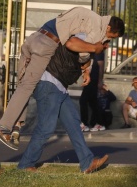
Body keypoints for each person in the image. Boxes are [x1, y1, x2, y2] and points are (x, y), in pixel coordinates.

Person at [0, 7, 125, 150]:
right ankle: (4, 127)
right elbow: (80, 51)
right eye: (111, 36)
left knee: (23, 85)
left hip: (35, 37)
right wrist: (92, 55)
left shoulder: (90, 15)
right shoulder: (98, 28)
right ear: (109, 27)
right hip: (47, 44)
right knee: (27, 86)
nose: (109, 39)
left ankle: (16, 126)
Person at [17, 40, 109, 174]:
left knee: (73, 123)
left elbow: (83, 61)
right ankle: (25, 164)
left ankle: (87, 163)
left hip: (60, 87)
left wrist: (87, 70)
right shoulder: (82, 36)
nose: (107, 46)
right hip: (49, 84)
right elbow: (74, 48)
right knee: (46, 127)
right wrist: (94, 50)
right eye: (107, 42)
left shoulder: (88, 42)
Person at [79, 51, 105, 132]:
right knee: (92, 102)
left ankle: (85, 123)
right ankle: (97, 123)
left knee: (83, 100)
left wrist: (100, 81)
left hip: (93, 79)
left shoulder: (98, 51)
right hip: (90, 78)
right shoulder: (91, 51)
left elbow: (101, 66)